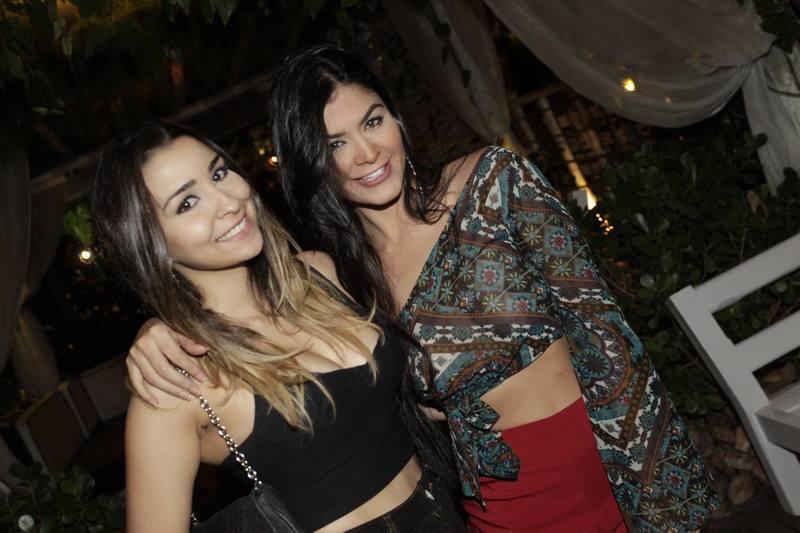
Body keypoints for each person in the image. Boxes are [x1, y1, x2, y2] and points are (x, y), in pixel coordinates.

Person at [124, 46, 720, 532]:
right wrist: (160, 327)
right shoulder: (344, 278)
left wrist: (661, 496)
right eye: (334, 144)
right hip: (503, 510)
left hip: (610, 472)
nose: (366, 153)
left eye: (373, 121)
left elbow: (606, 338)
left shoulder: (494, 184)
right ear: (310, 163)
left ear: (396, 118)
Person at [91, 121, 466, 533]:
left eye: (219, 173)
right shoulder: (175, 382)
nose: (227, 202)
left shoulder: (319, 274)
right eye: (187, 203)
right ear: (150, 247)